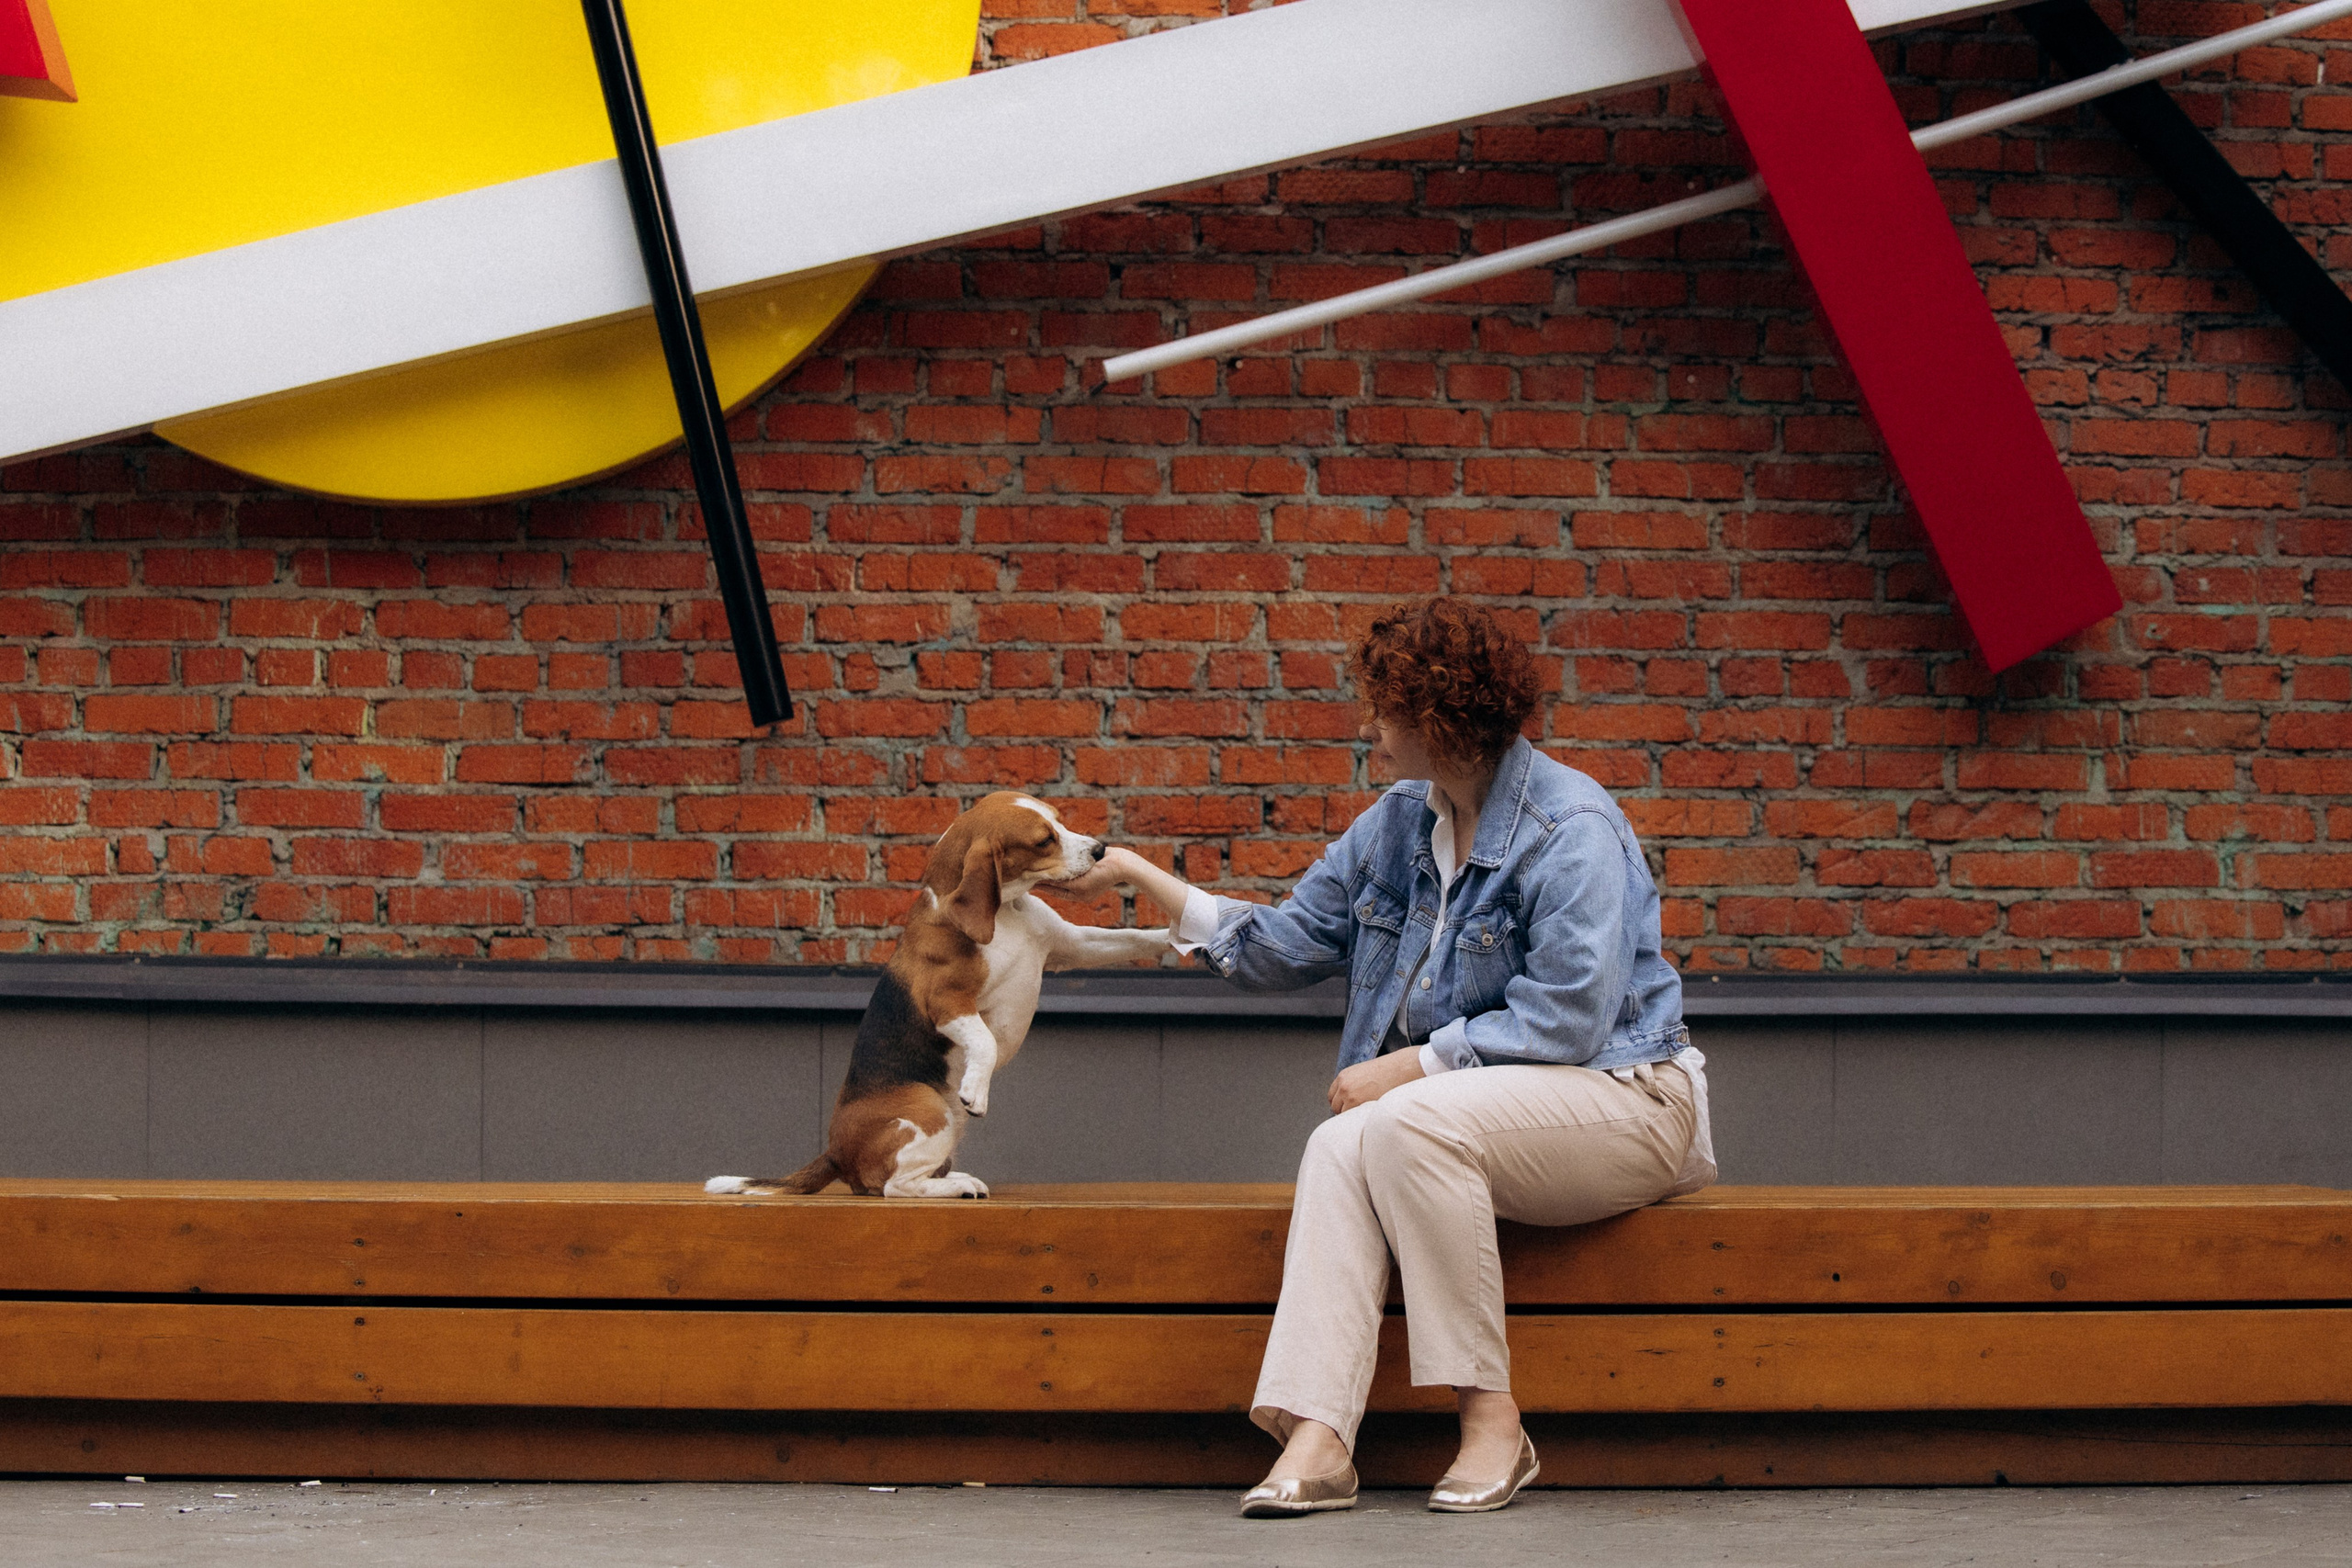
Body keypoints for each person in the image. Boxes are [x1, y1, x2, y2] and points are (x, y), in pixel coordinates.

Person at [1056, 597, 1713, 1517]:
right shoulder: (1399, 824)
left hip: (1629, 1102)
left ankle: (1492, 1420)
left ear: (1439, 717)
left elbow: (1570, 1015)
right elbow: (1286, 944)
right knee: (1340, 1143)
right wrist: (1135, 873)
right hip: (1469, 1123)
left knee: (1400, 1118)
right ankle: (1320, 1434)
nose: (1368, 725)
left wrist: (1410, 1066)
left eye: (1384, 707)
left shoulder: (1572, 828)